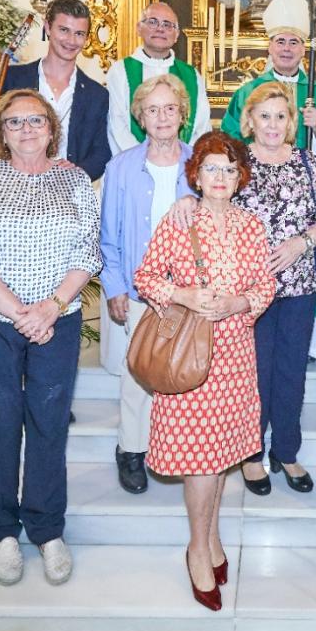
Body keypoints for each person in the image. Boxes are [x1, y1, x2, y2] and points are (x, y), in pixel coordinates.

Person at [0, 89, 101, 587]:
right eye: (14, 123)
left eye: (36, 121)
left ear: (52, 128)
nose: (27, 130)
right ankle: (2, 531)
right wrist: (22, 314)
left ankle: (47, 528)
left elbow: (88, 250)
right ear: (0, 133)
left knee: (48, 421)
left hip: (57, 317)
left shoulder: (75, 180)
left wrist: (51, 307)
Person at [132, 131, 276, 611]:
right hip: (189, 355)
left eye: (229, 169)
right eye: (211, 168)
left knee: (221, 455)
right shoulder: (180, 221)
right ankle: (197, 548)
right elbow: (146, 277)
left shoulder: (251, 226)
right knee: (199, 458)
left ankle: (212, 537)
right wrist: (185, 295)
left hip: (236, 353)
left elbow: (265, 286)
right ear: (196, 173)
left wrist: (238, 302)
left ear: (240, 177)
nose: (220, 177)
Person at [233, 81, 316, 496]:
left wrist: (302, 241)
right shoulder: (234, 161)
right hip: (248, 291)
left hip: (298, 286)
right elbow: (214, 210)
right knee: (254, 375)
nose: (273, 124)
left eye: (281, 116)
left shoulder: (308, 163)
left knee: (291, 373)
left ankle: (287, 450)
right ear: (250, 120)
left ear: (292, 121)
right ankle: (250, 453)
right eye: (265, 116)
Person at [99, 75, 198, 495]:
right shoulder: (120, 167)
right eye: (152, 109)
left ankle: (174, 448)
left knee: (185, 372)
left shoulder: (200, 163)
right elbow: (108, 235)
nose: (161, 117)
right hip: (141, 289)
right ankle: (131, 450)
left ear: (182, 114)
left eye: (169, 108)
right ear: (140, 116)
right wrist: (115, 286)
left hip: (190, 291)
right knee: (138, 371)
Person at [0, 0, 111, 182]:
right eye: (63, 30)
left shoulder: (97, 94)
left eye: (79, 33)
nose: (71, 40)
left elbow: (101, 151)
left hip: (66, 194)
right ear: (47, 27)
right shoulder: (11, 79)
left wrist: (77, 173)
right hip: (10, 190)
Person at [221, 0, 316, 164]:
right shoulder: (249, 92)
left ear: (303, 50)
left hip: (303, 177)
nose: (287, 49)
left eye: (293, 42)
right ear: (270, 48)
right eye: (280, 42)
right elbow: (230, 138)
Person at [105, 1, 211, 153]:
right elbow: (116, 124)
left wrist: (186, 159)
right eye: (152, 22)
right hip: (133, 164)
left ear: (176, 35)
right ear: (139, 28)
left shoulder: (191, 75)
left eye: (168, 25)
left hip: (183, 164)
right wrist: (140, 159)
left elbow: (201, 125)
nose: (160, 29)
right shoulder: (120, 71)